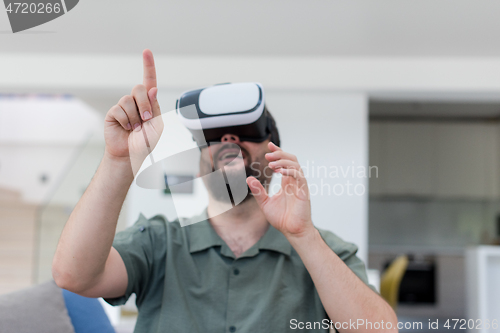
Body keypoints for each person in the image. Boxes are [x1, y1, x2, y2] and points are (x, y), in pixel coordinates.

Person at [52, 49, 398, 333]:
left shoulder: (323, 251)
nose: (230, 138)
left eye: (246, 129)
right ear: (199, 158)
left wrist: (303, 236)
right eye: (215, 135)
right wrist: (118, 159)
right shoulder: (159, 243)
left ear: (274, 153)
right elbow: (73, 275)